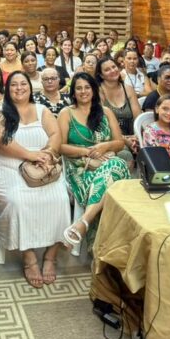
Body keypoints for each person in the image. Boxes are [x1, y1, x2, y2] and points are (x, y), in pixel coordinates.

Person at [0, 71, 70, 287]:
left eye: (23, 84)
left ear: (30, 87)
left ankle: (50, 255)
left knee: (61, 198)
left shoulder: (42, 110)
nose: (19, 88)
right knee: (18, 201)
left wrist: (48, 154)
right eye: (14, 85)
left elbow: (55, 135)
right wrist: (30, 155)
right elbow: (0, 140)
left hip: (41, 165)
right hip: (8, 167)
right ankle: (29, 256)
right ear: (7, 89)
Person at [58, 73, 130, 249]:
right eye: (79, 88)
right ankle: (109, 245)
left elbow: (120, 143)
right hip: (79, 168)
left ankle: (83, 222)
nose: (83, 91)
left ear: (94, 90)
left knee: (115, 165)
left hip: (106, 162)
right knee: (116, 170)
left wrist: (105, 146)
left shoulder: (105, 112)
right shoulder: (66, 113)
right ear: (73, 93)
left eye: (87, 87)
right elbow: (59, 146)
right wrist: (87, 152)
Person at [97, 56, 141, 156]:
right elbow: (104, 125)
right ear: (101, 75)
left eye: (114, 67)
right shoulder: (98, 92)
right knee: (125, 155)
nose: (113, 70)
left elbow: (138, 118)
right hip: (111, 138)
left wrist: (136, 137)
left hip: (133, 136)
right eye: (107, 70)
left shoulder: (128, 88)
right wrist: (125, 140)